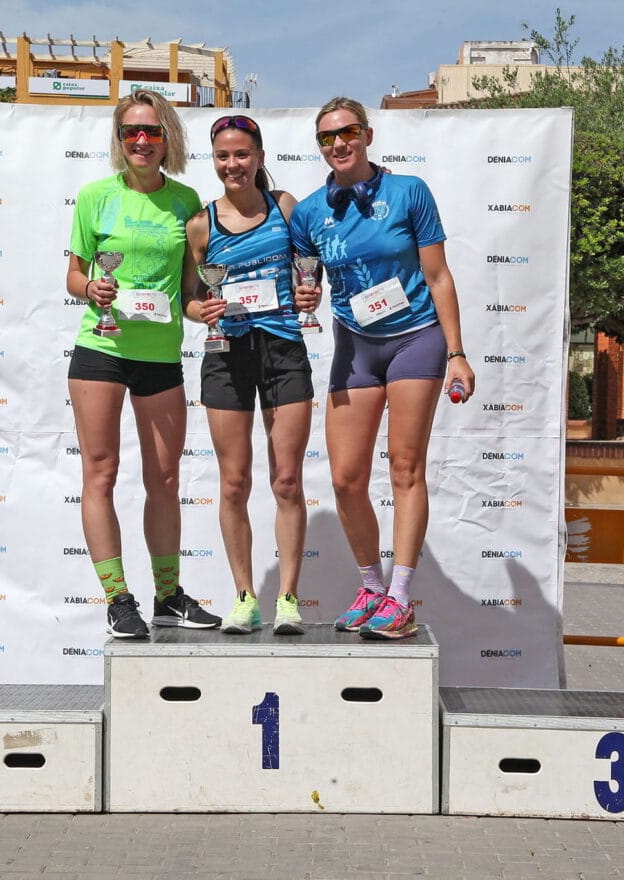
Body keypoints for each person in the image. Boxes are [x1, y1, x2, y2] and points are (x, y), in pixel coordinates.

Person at [290, 97, 476, 640]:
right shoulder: (308, 213)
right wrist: (307, 294)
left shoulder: (408, 192)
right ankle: (371, 586)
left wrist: (458, 352)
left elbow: (438, 276)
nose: (338, 144)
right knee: (346, 478)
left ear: (367, 135)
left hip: (416, 340)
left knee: (404, 468)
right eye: (326, 138)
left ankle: (401, 597)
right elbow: (310, 282)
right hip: (356, 347)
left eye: (347, 133)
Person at [66, 88, 221, 638]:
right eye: (130, 131)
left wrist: (219, 310)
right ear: (119, 138)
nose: (140, 140)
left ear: (167, 139)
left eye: (151, 131)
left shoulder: (187, 202)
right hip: (101, 351)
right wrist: (94, 289)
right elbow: (74, 277)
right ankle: (117, 599)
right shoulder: (94, 197)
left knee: (165, 477)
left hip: (160, 357)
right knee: (100, 474)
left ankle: (167, 594)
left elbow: (189, 291)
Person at [182, 114, 320, 636]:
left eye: (242, 154)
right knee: (234, 482)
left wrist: (312, 293)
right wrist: (204, 314)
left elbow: (311, 273)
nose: (232, 165)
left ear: (259, 156)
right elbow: (192, 300)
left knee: (287, 480)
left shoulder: (286, 207)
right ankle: (245, 597)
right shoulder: (201, 223)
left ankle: (288, 597)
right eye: (222, 156)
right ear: (213, 161)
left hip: (284, 350)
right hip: (227, 357)